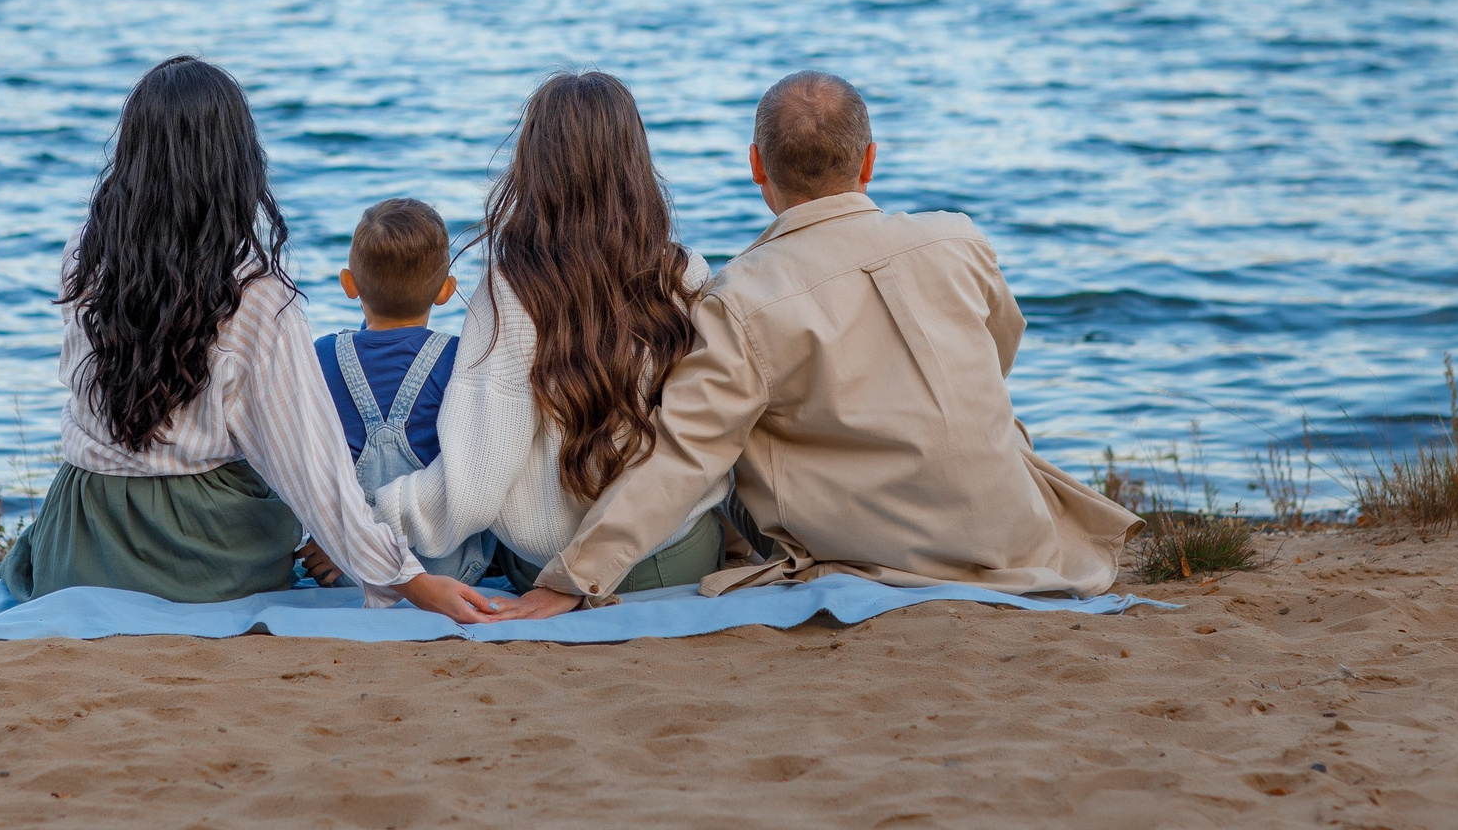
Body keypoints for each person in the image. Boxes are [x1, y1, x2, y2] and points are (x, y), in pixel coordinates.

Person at [493, 70, 1139, 618]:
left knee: (731, 439)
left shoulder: (740, 296)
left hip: (884, 551)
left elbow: (685, 451)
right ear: (869, 159)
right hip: (1013, 530)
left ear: (755, 166)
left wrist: (574, 576)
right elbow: (999, 348)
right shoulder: (957, 241)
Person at [0, 56, 501, 623]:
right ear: (236, 162)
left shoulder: (85, 253)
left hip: (80, 538)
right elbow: (311, 468)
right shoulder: (258, 293)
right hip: (205, 554)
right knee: (276, 505)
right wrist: (411, 580)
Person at [366, 71, 728, 597]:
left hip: (548, 564)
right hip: (672, 555)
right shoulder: (686, 272)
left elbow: (475, 484)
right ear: (635, 164)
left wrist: (373, 516)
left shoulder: (510, 292)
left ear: (534, 167)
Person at [307, 197, 495, 584]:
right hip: (451, 568)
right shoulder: (458, 358)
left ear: (348, 284)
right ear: (446, 291)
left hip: (348, 563)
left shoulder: (323, 356)